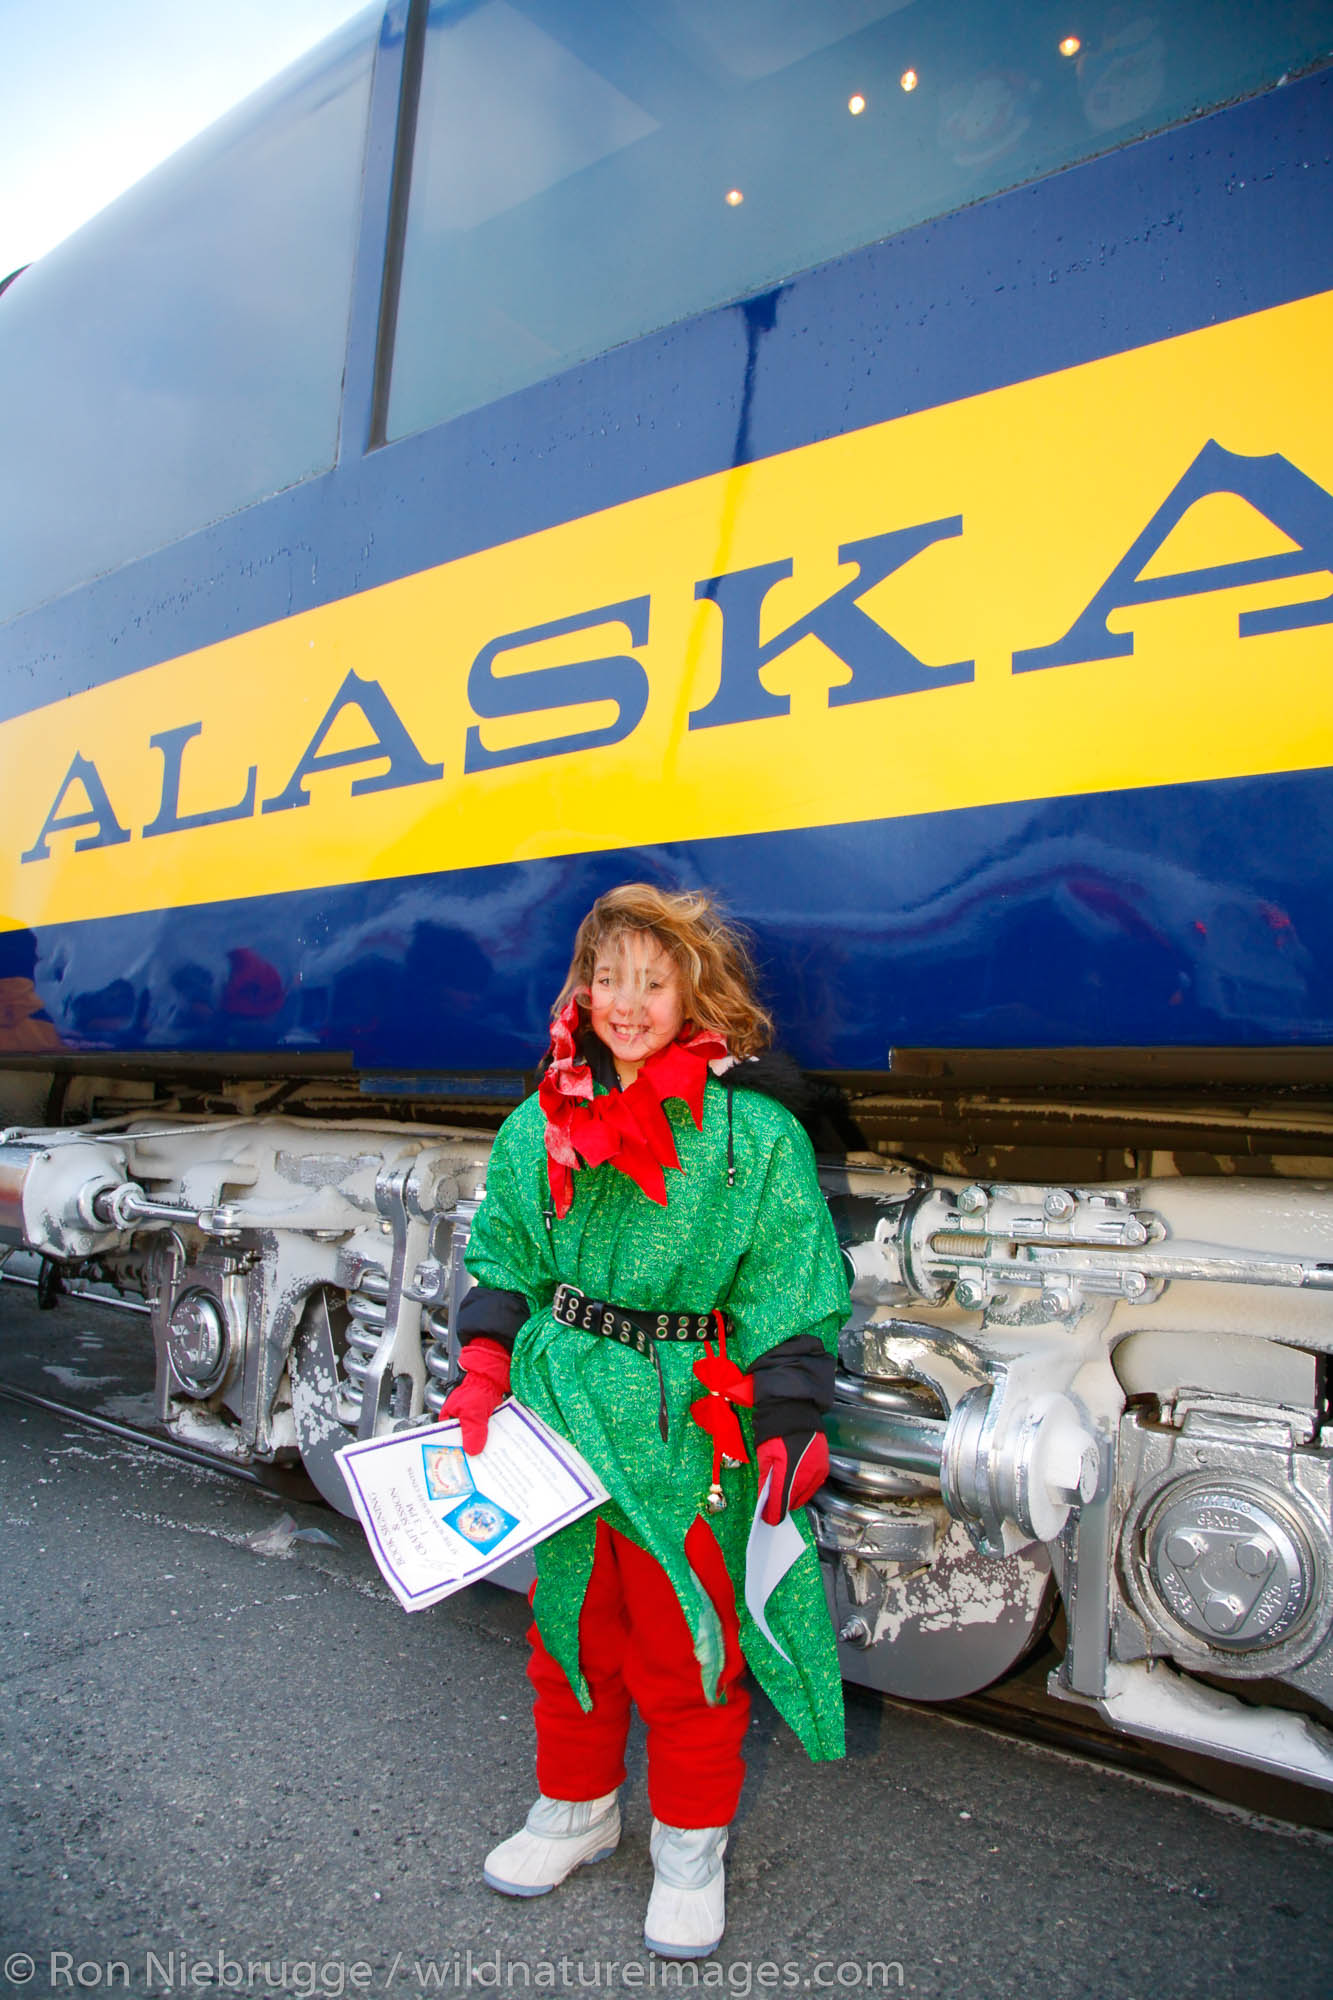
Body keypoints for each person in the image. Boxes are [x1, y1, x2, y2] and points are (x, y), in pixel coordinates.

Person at [441, 884, 849, 1958]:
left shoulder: (752, 1132)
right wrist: (485, 1362)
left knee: (687, 1642)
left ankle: (689, 1845)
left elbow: (792, 1281)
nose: (625, 1002)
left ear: (690, 988)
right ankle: (576, 1808)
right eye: (605, 977)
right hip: (565, 1400)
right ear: (583, 990)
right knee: (566, 1623)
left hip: (683, 1419)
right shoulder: (541, 1120)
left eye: (650, 979)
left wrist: (789, 1416)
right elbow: (505, 1251)